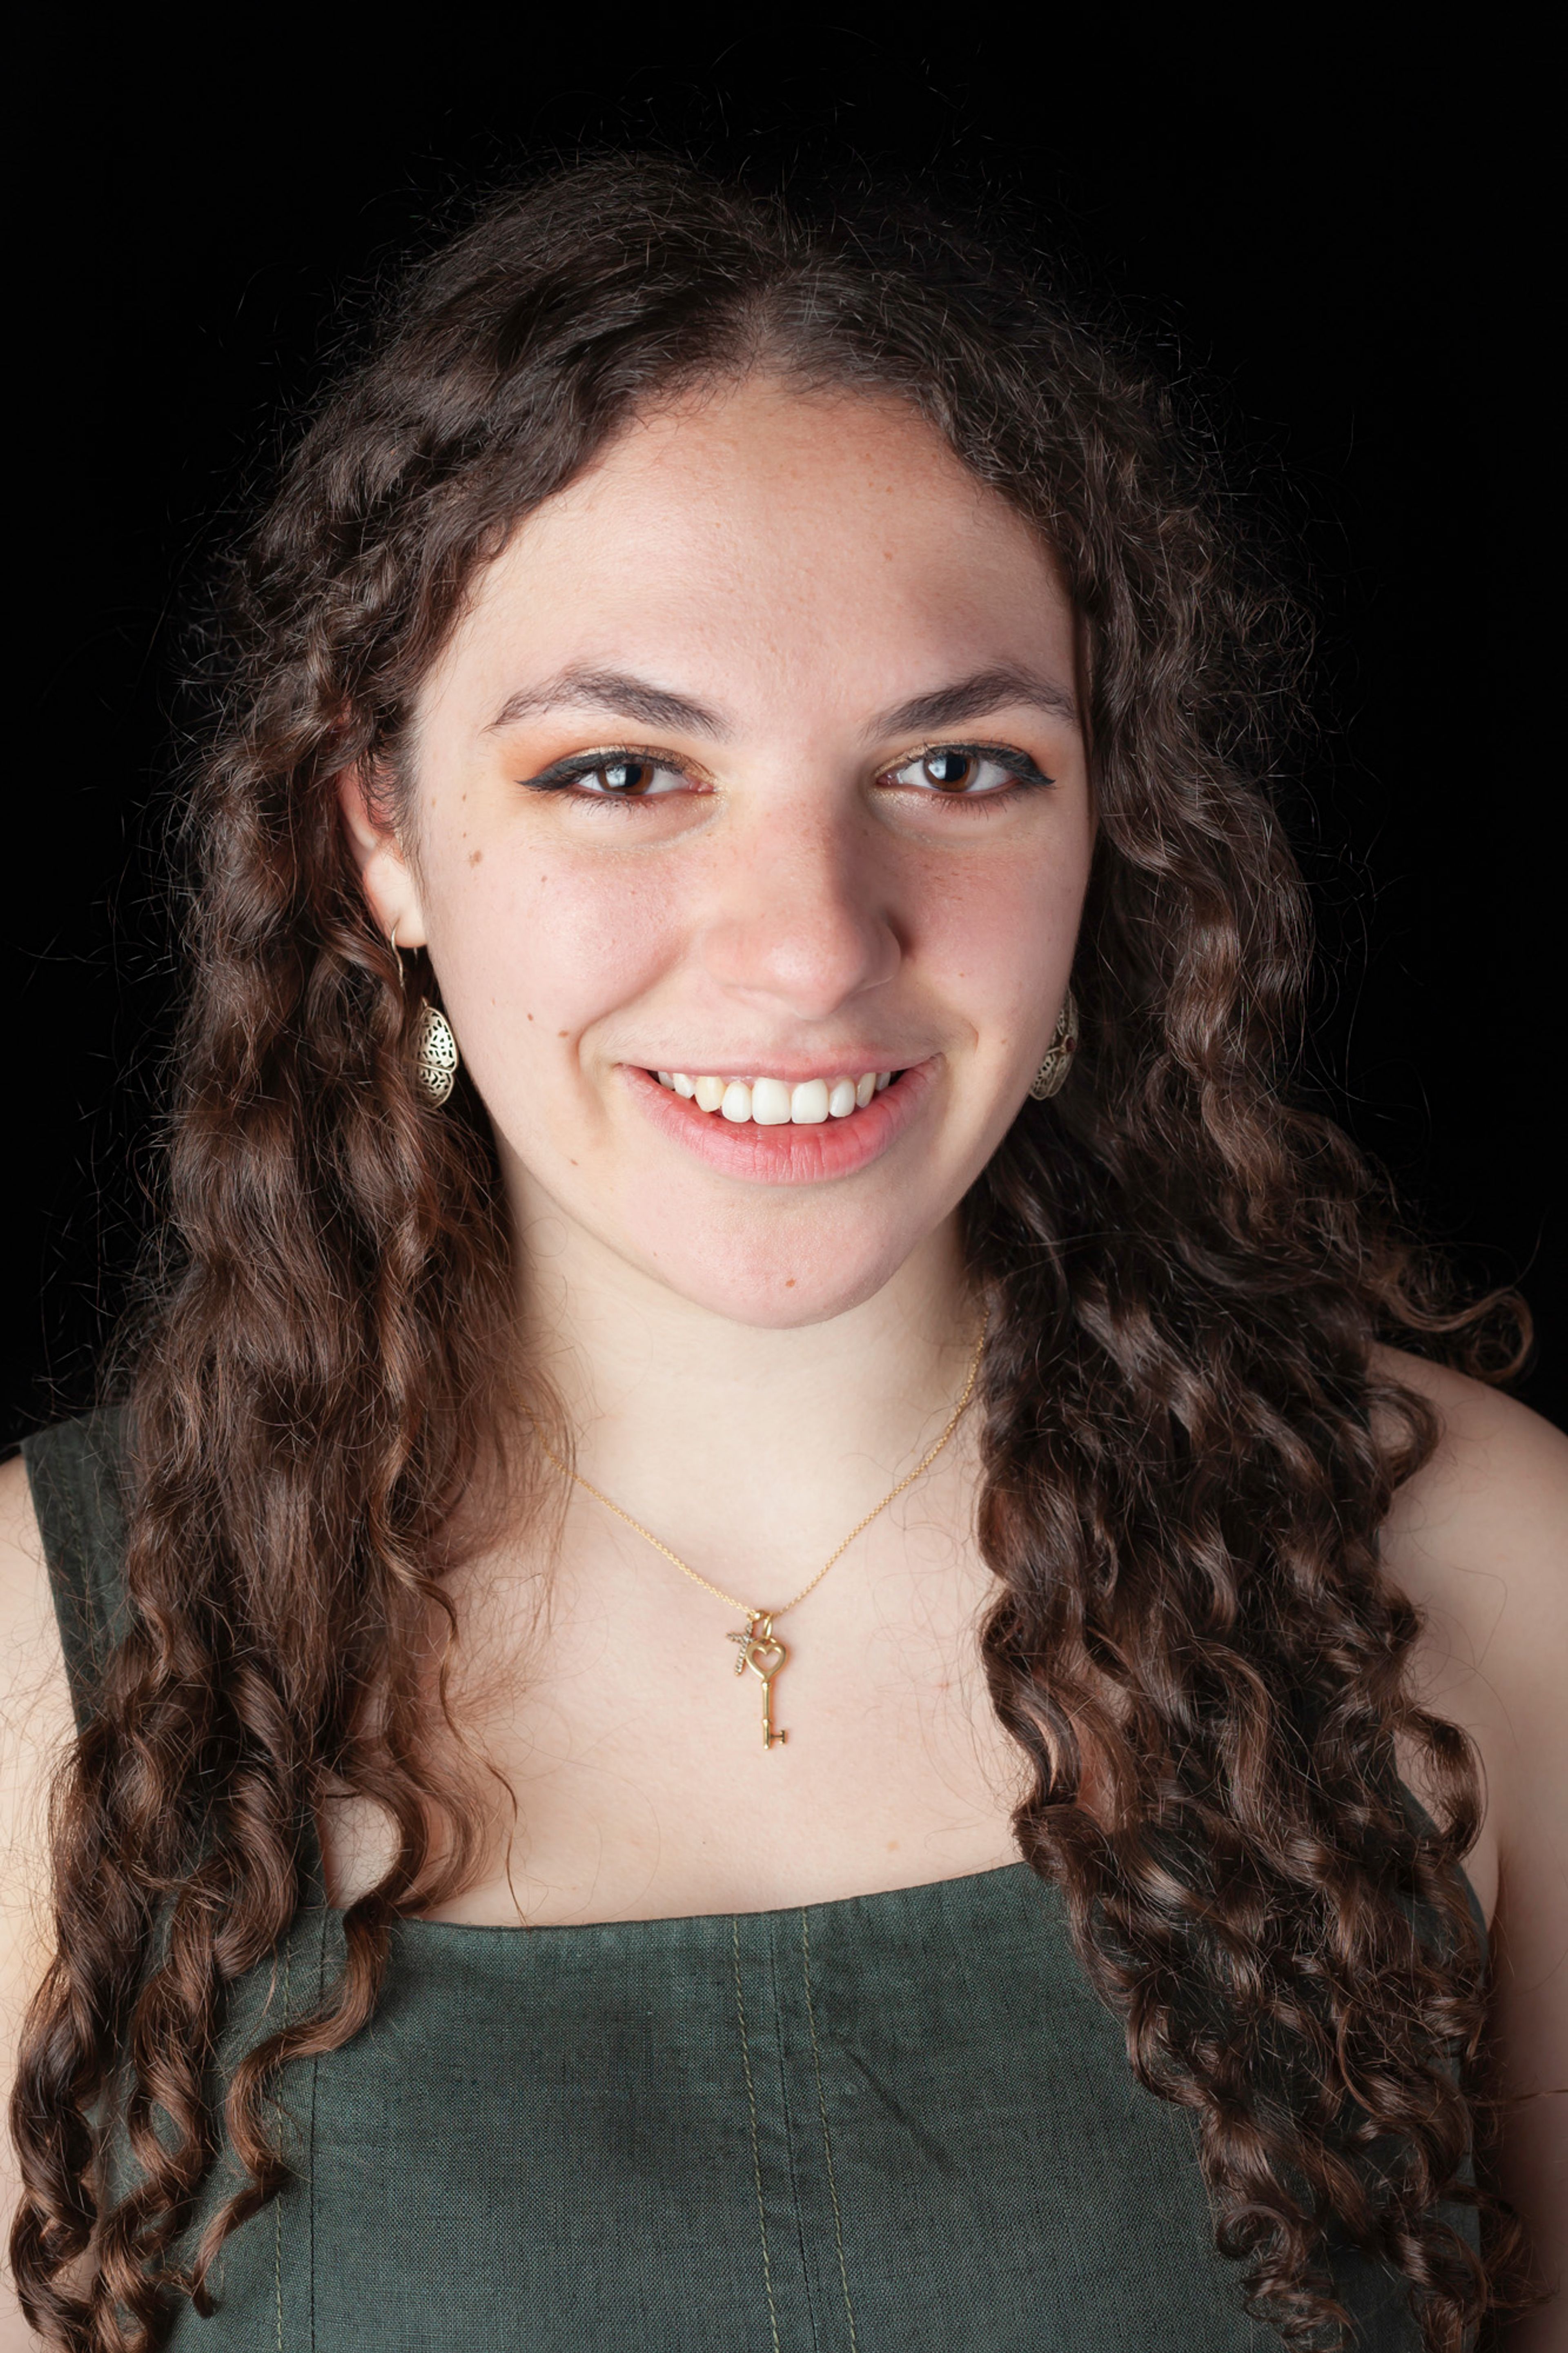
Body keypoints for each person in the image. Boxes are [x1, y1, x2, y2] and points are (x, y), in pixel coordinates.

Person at [1, 161, 1562, 2353]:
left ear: (1108, 817)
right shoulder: (38, 1656)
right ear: (382, 831)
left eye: (956, 761)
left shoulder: (1499, 1569)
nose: (816, 941)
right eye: (626, 768)